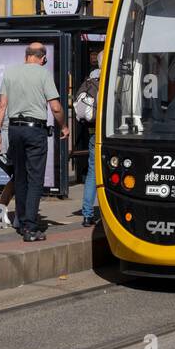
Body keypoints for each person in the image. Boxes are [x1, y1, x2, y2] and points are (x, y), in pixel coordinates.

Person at [0, 42, 68, 242]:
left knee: (20, 176)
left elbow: (1, 105)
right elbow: (56, 107)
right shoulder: (44, 74)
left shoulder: (10, 73)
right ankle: (30, 228)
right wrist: (64, 127)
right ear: (42, 58)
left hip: (15, 130)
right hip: (35, 131)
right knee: (35, 178)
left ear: (27, 56)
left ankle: (22, 220)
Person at [74, 48, 102, 227]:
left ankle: (87, 213)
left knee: (92, 173)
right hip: (113, 136)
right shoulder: (114, 78)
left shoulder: (91, 80)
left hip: (94, 133)